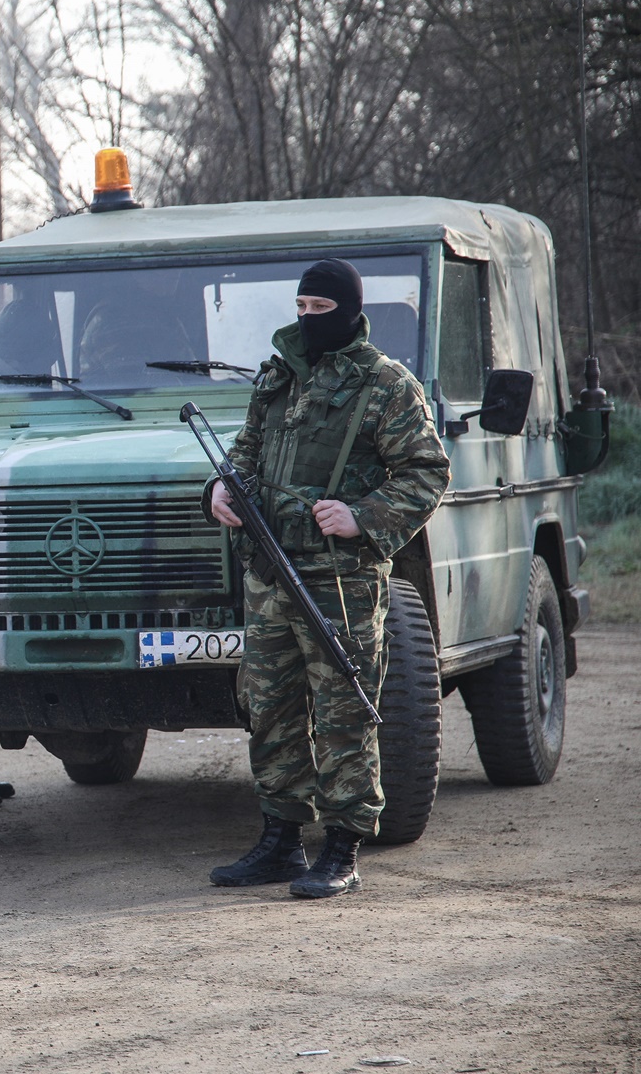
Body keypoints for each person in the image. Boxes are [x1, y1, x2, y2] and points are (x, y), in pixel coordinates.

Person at [205, 258, 449, 898]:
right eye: (302, 307)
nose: (308, 319)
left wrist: (362, 517)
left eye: (320, 309)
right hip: (270, 573)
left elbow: (426, 471)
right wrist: (220, 489)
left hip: (340, 580)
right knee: (270, 707)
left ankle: (342, 845)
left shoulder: (387, 386)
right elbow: (247, 452)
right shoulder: (277, 376)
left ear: (347, 310)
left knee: (344, 708)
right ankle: (280, 839)